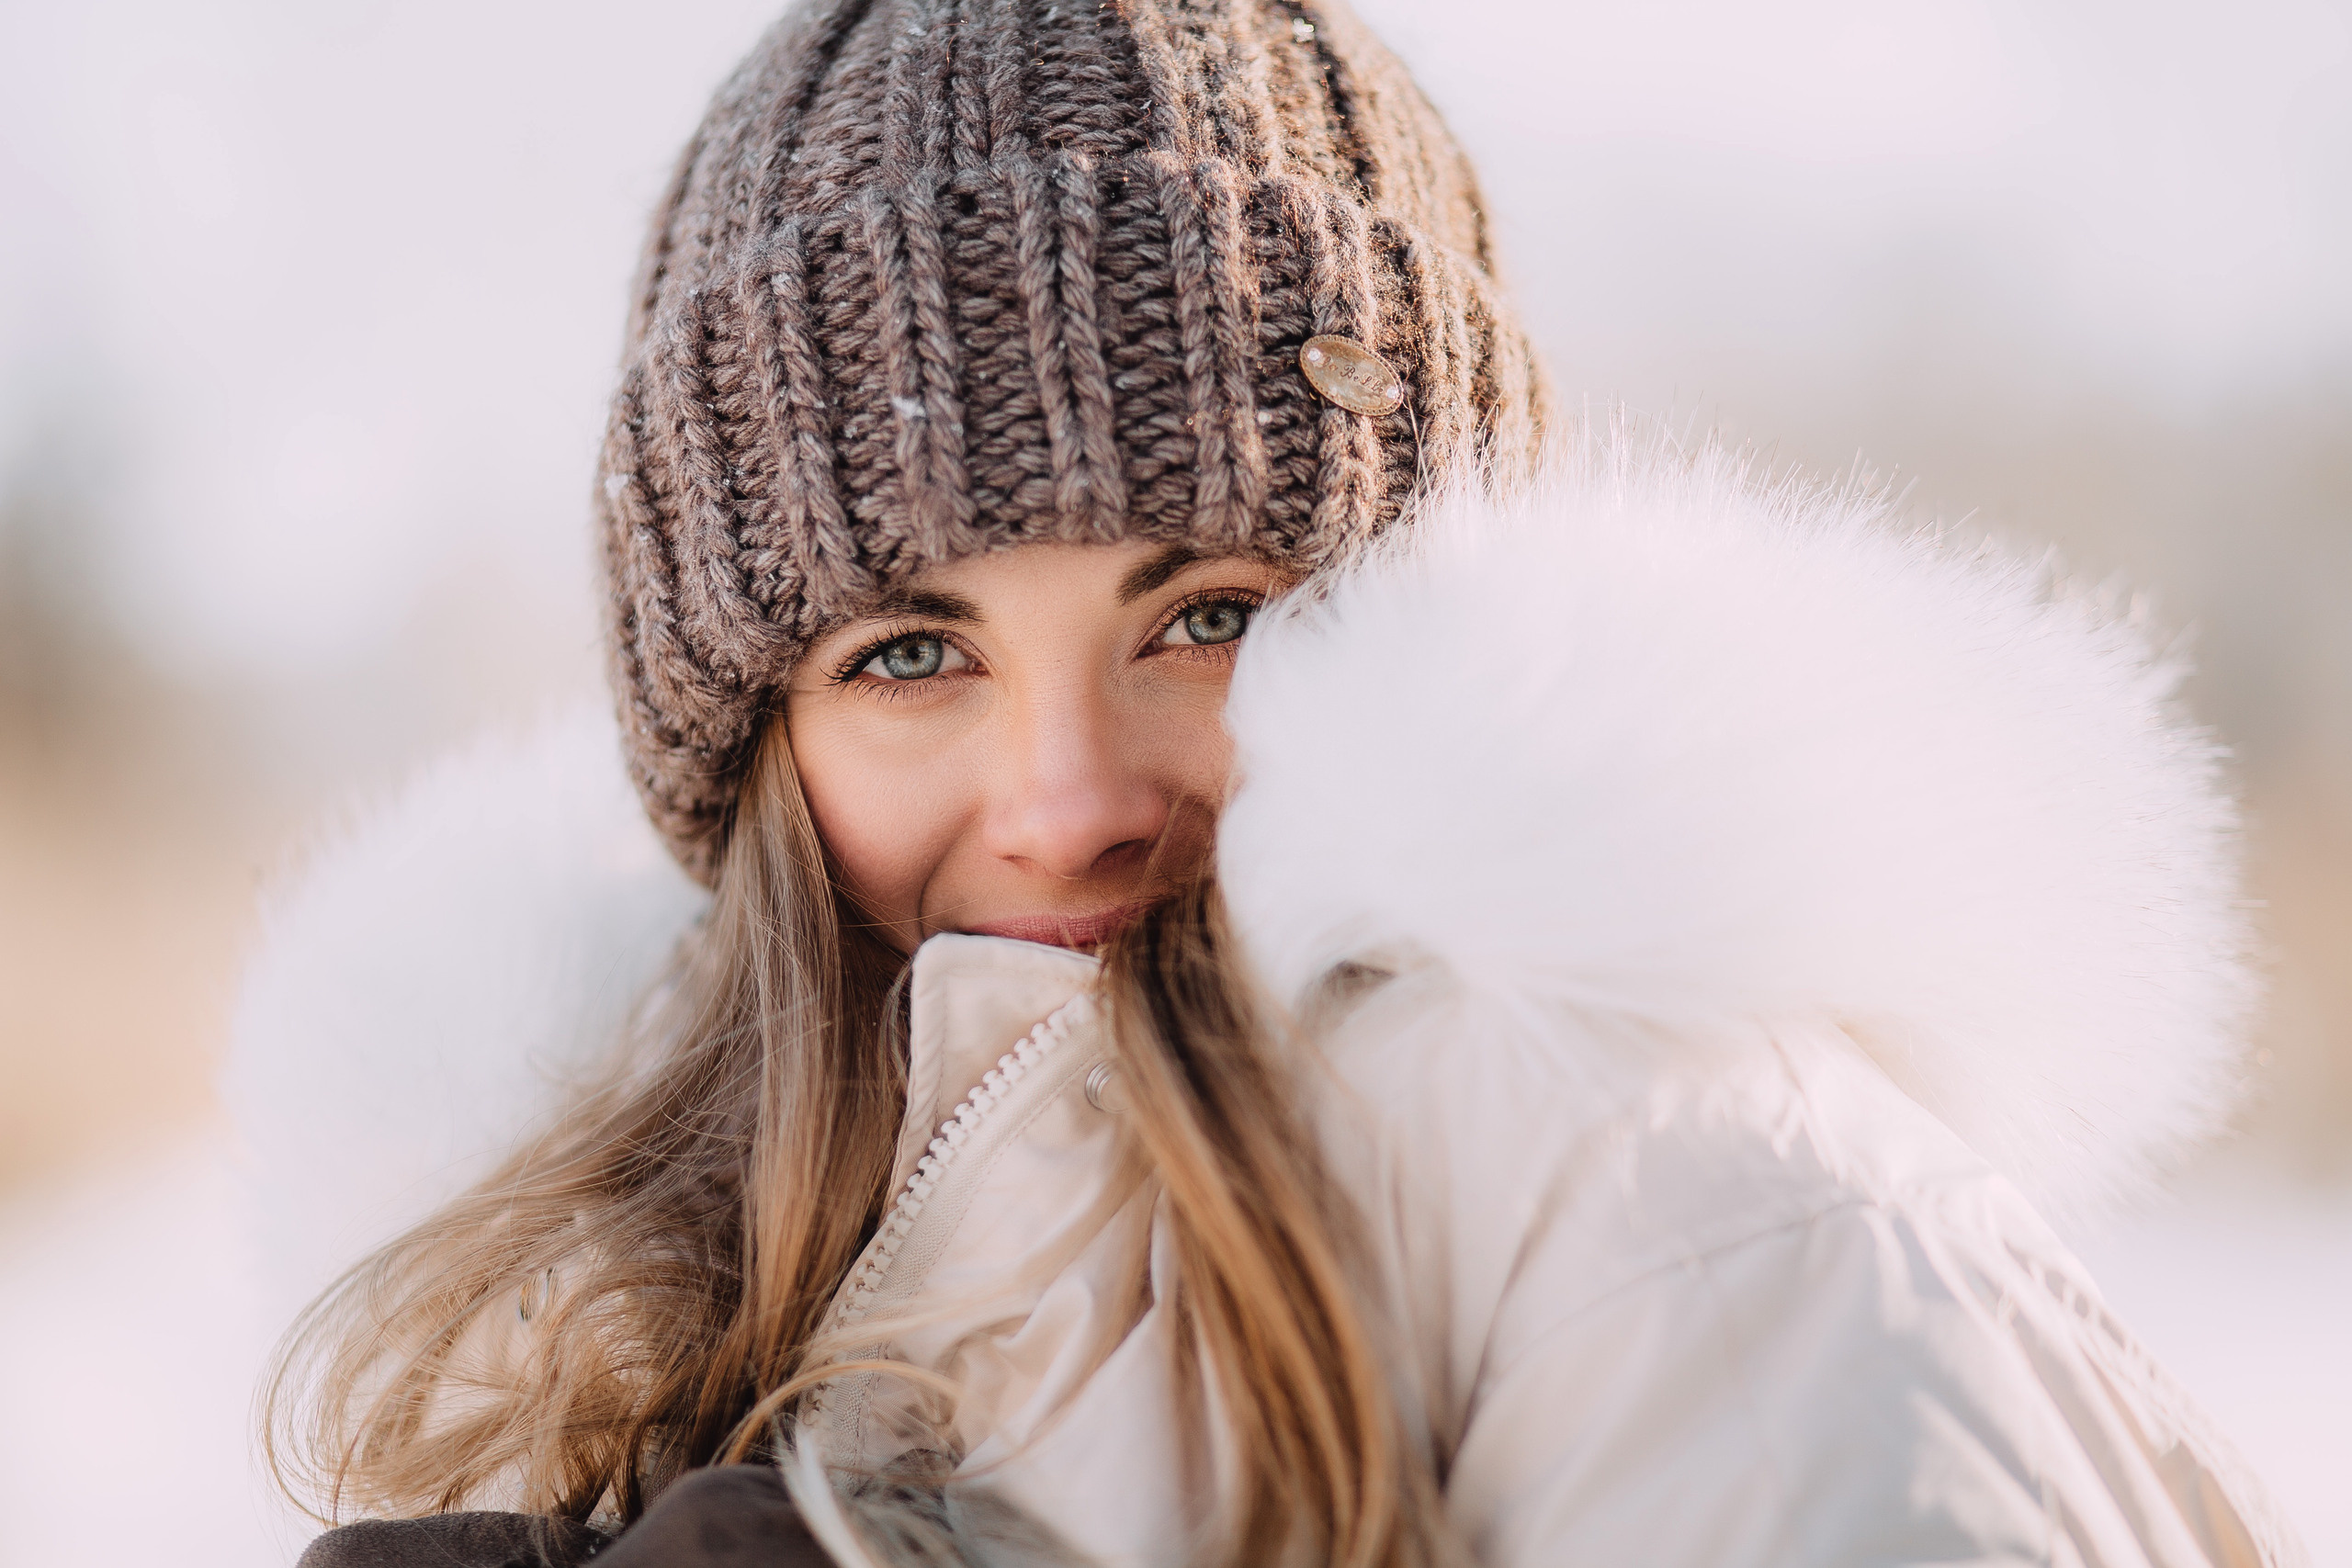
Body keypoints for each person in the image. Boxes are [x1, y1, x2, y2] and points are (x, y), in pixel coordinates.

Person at [236, 2, 2305, 1565]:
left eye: (1205, 613)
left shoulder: (1686, 1188)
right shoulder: (615, 1293)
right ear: (756, 740)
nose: (1067, 800)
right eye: (911, 655)